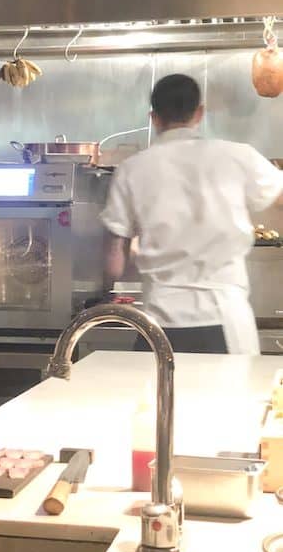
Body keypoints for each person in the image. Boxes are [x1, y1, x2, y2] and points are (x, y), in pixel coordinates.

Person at [101, 73, 283, 354]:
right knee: (231, 398)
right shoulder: (237, 156)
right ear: (199, 113)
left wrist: (145, 254)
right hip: (225, 317)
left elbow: (114, 263)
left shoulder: (132, 169)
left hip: (159, 323)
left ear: (154, 118)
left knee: (156, 397)